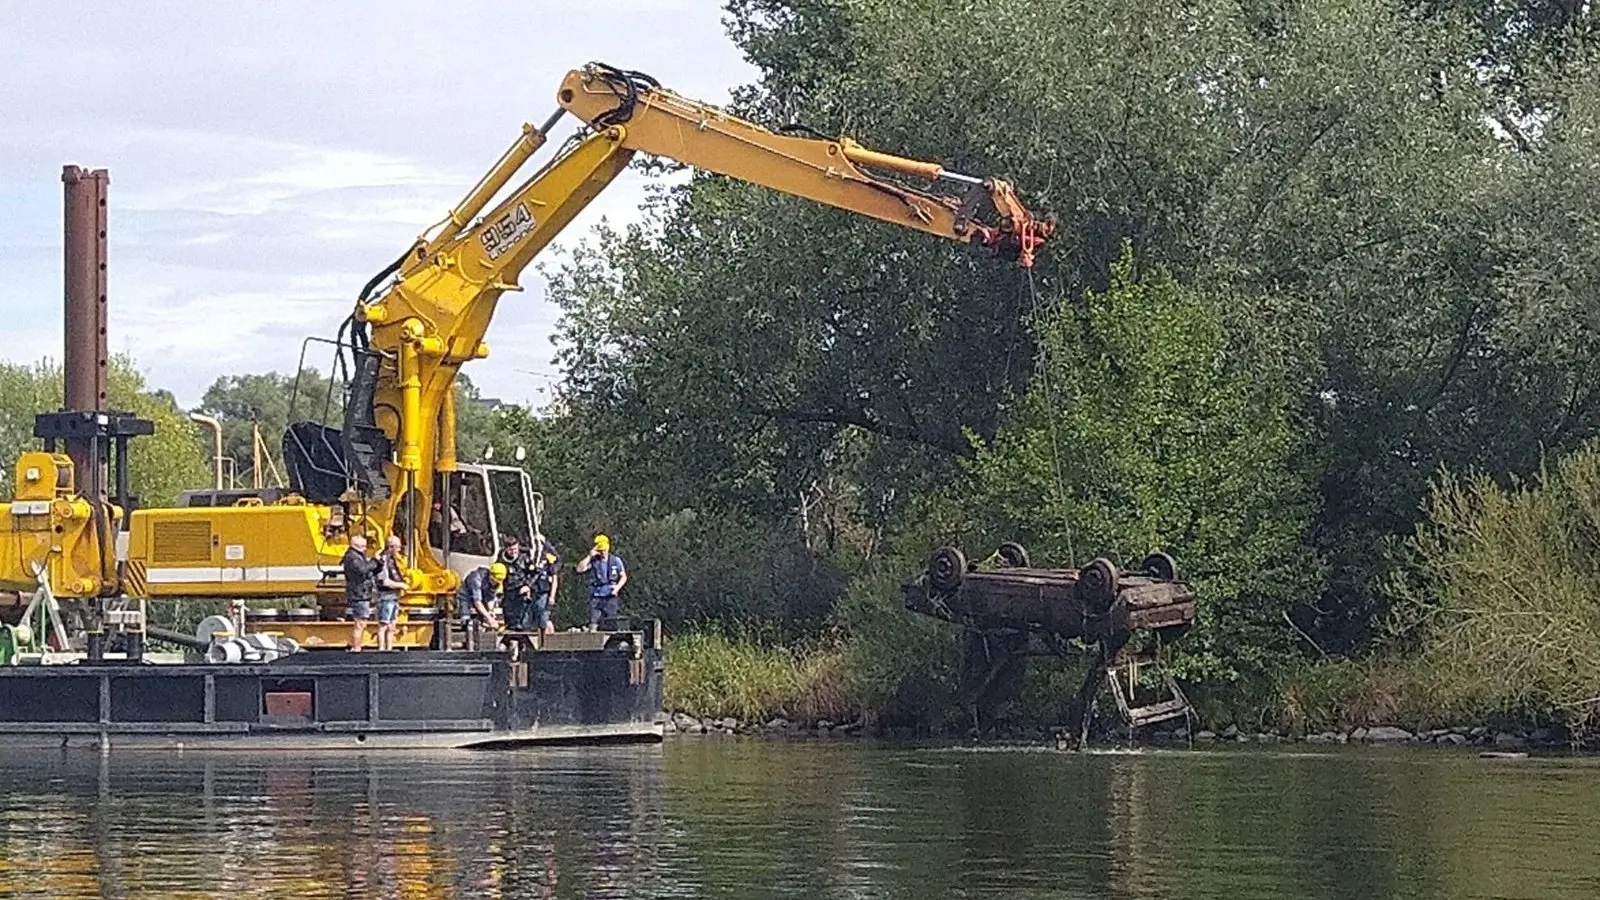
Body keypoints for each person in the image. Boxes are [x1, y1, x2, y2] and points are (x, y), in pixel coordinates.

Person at [576, 533, 626, 628]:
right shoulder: (594, 561)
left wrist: (617, 588)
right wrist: (589, 556)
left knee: (611, 623)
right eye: (600, 550)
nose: (603, 552)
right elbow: (579, 569)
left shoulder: (616, 560)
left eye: (604, 550)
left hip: (610, 596)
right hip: (596, 596)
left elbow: (623, 576)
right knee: (593, 622)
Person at [343, 534, 378, 652]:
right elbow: (362, 570)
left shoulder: (358, 557)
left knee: (362, 622)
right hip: (358, 594)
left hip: (362, 593)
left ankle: (358, 646)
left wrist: (378, 563)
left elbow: (369, 570)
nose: (365, 548)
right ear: (356, 546)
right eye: (363, 546)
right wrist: (374, 561)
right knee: (360, 623)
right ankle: (356, 647)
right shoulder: (352, 558)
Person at [375, 534, 408, 651]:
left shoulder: (392, 560)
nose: (399, 550)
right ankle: (381, 649)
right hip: (386, 597)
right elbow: (385, 581)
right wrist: (401, 585)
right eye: (397, 547)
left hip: (394, 597)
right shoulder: (383, 561)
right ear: (391, 547)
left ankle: (389, 648)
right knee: (383, 625)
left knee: (392, 626)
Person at [456, 562, 506, 633]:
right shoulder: (476, 578)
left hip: (482, 599)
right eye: (494, 580)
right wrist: (489, 618)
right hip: (466, 598)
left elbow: (490, 598)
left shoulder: (497, 583)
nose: (495, 583)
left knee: (482, 622)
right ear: (490, 575)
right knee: (467, 622)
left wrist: (490, 611)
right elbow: (477, 602)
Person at [529, 538, 561, 635]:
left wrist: (552, 596)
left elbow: (554, 578)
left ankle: (548, 638)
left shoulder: (549, 558)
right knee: (532, 620)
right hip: (532, 593)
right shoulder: (529, 557)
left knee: (544, 619)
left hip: (543, 592)